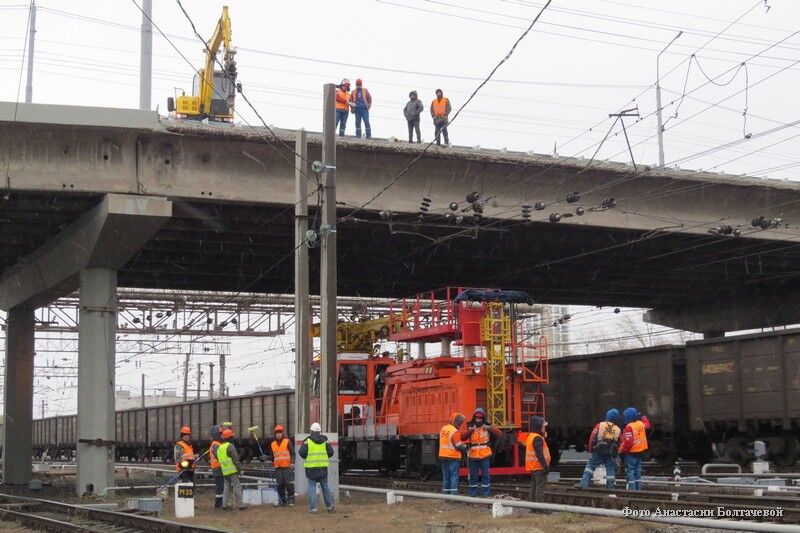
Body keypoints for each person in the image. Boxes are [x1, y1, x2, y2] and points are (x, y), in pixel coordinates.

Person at [462, 408, 503, 497]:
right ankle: (473, 495)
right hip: (473, 456)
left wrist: (489, 428)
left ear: (483, 418)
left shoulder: (487, 426)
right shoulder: (470, 426)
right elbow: (462, 437)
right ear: (474, 417)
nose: (478, 419)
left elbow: (499, 434)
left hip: (485, 455)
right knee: (473, 477)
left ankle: (486, 495)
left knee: (485, 476)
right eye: (477, 417)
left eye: (480, 418)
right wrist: (470, 430)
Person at [579, 409, 622, 489]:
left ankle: (584, 484)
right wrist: (616, 454)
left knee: (590, 466)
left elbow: (592, 438)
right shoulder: (618, 429)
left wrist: (590, 449)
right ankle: (610, 487)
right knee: (611, 469)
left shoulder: (600, 425)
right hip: (611, 453)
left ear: (607, 416)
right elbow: (619, 443)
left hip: (599, 451)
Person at [298, 422, 335, 513]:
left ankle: (313, 508)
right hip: (323, 467)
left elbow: (301, 452)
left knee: (312, 487)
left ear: (311, 431)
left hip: (311, 468)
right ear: (319, 431)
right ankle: (329, 506)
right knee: (325, 487)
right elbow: (331, 452)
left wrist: (308, 457)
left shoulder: (307, 440)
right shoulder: (325, 440)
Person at [619, 407, 651, 490]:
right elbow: (647, 425)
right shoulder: (640, 424)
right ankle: (638, 488)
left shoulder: (629, 427)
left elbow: (628, 442)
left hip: (631, 452)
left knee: (630, 471)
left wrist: (623, 451)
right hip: (640, 452)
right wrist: (644, 417)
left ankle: (632, 489)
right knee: (638, 471)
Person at [439, 412, 467, 495]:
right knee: (454, 475)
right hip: (453, 457)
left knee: (446, 475)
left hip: (443, 456)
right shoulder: (454, 431)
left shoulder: (443, 428)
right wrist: (466, 447)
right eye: (460, 423)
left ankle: (445, 493)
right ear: (457, 422)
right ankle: (453, 494)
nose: (460, 425)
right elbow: (458, 446)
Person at [217, 428, 246, 510]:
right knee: (237, 487)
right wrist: (240, 469)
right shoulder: (230, 446)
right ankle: (241, 505)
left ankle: (224, 505)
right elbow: (235, 459)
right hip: (233, 471)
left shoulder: (219, 448)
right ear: (229, 438)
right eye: (231, 437)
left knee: (226, 489)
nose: (233, 438)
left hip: (225, 472)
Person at [525, 415, 550, 503]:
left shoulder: (531, 436)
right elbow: (539, 454)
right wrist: (545, 467)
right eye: (543, 426)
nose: (544, 428)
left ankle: (533, 508)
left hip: (534, 467)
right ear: (538, 426)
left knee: (534, 487)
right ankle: (540, 508)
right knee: (539, 488)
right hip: (539, 467)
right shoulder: (537, 438)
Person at [270, 424, 295, 506]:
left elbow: (292, 453)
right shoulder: (272, 444)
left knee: (289, 484)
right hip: (278, 467)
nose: (278, 434)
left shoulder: (287, 441)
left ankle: (291, 500)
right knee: (280, 484)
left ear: (282, 433)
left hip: (287, 466)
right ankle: (282, 500)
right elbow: (272, 455)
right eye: (277, 433)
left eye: (280, 432)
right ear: (275, 434)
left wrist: (292, 462)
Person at [209, 425, 224, 509]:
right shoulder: (216, 445)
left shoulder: (217, 444)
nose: (222, 435)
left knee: (220, 486)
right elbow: (219, 456)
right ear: (216, 435)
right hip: (218, 468)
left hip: (218, 468)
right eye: (220, 433)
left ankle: (219, 504)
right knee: (220, 487)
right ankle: (218, 504)